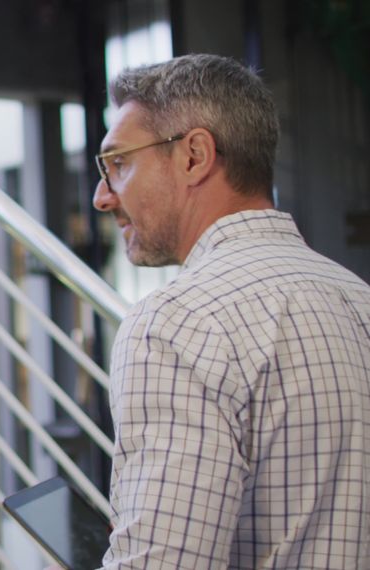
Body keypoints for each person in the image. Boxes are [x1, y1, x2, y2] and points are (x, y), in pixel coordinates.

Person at [93, 53, 370, 569]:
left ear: (195, 155)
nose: (102, 197)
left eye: (119, 164)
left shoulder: (176, 322)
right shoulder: (356, 296)